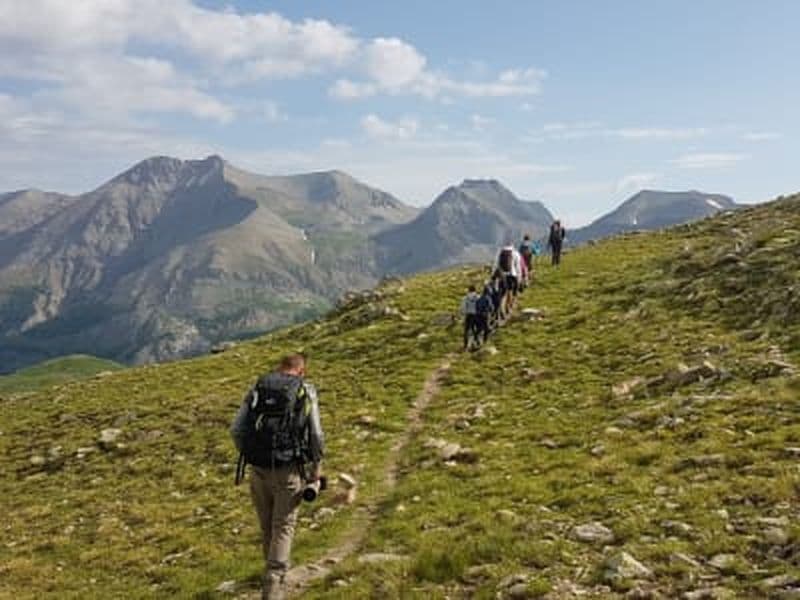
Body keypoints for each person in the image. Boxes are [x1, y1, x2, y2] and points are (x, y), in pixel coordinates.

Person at [230, 354, 325, 600]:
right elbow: (315, 435)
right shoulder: (306, 391)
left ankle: (273, 575)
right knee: (283, 526)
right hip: (289, 470)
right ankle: (273, 586)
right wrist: (316, 471)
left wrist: (250, 454)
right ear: (302, 371)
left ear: (279, 368)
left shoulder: (259, 388)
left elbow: (236, 429)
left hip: (258, 470)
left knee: (267, 526)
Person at [495, 244, 522, 313]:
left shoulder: (501, 252)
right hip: (512, 275)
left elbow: (497, 264)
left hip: (502, 275)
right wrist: (519, 276)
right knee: (511, 291)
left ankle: (501, 307)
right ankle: (509, 307)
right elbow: (518, 266)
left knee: (503, 292)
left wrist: (495, 276)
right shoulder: (515, 253)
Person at [460, 284, 480, 350]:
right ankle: (476, 343)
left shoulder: (465, 298)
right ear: (475, 290)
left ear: (469, 290)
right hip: (476, 315)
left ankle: (465, 345)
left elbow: (463, 308)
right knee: (475, 329)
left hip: (468, 315)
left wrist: (463, 315)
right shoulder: (478, 297)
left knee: (466, 330)